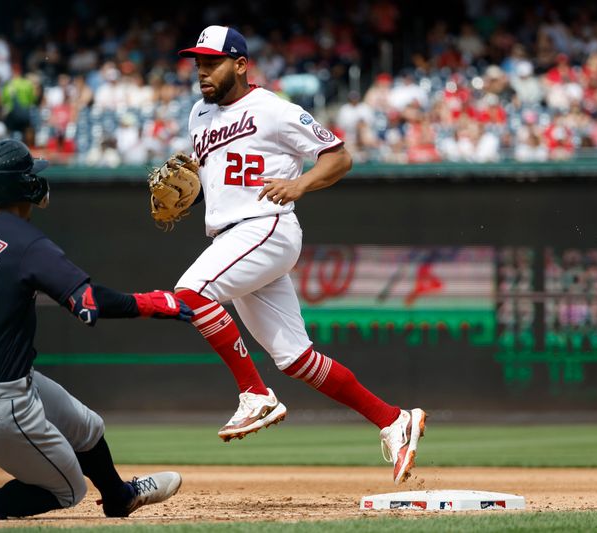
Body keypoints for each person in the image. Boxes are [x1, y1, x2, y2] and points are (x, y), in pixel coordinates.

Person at [0, 140, 188, 520]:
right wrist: (154, 304)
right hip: (1, 406)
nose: (38, 180)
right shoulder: (27, 244)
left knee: (87, 427)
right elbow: (87, 303)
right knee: (68, 489)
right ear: (22, 185)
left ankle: (119, 496)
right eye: (32, 174)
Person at [173, 25, 426, 484]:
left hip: (265, 224)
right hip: (232, 236)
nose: (203, 70)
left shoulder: (272, 109)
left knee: (190, 292)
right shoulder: (198, 115)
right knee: (295, 359)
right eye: (199, 62)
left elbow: (339, 156)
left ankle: (254, 394)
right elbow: (218, 181)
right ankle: (393, 419)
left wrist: (300, 184)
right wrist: (185, 198)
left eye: (213, 62)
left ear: (241, 64)